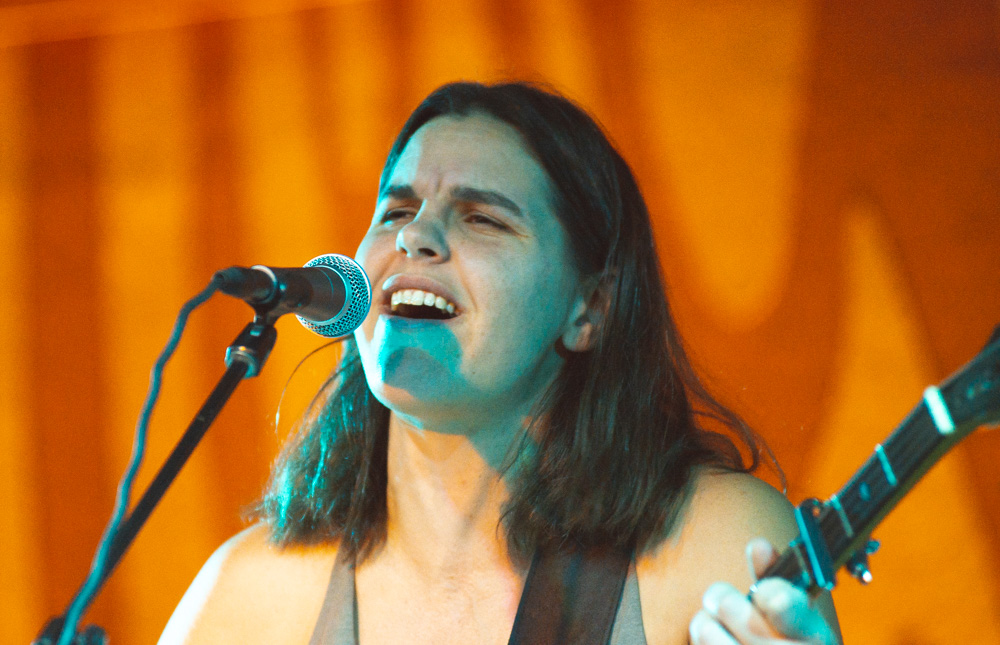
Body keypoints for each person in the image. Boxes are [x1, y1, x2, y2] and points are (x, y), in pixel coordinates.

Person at [159, 81, 841, 645]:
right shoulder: (248, 598)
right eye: (396, 210)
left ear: (589, 308)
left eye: (482, 218)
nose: (417, 236)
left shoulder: (713, 544)